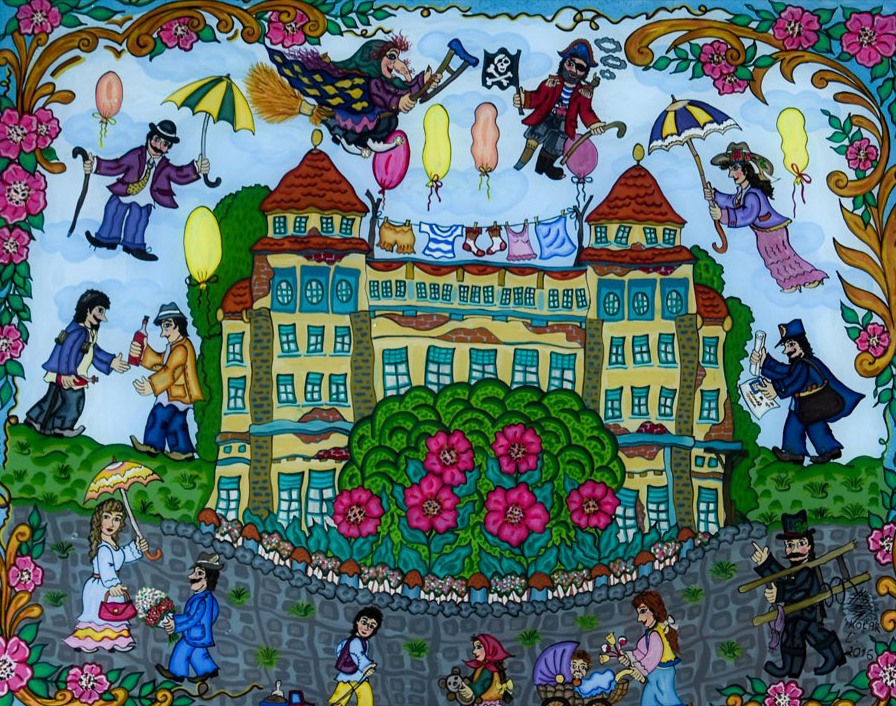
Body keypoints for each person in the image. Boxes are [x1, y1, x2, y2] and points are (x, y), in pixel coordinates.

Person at [256, 35, 440, 158]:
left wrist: (423, 80)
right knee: (383, 122)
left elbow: (404, 88)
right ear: (374, 59)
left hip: (382, 116)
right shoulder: (373, 83)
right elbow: (385, 97)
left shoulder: (389, 80)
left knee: (391, 121)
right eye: (392, 57)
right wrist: (398, 102)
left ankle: (368, 141)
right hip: (367, 116)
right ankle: (354, 141)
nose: (396, 63)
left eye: (397, 58)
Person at [705, 141, 827, 292]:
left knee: (783, 257)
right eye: (730, 169)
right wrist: (715, 195)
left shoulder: (753, 194)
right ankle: (791, 282)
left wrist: (723, 215)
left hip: (773, 231)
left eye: (735, 169)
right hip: (763, 232)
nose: (731, 174)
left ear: (747, 170)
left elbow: (747, 215)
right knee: (773, 259)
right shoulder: (744, 191)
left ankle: (807, 277)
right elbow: (733, 201)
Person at [83, 120, 210, 261]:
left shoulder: (165, 166)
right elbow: (117, 165)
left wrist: (197, 168)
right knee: (113, 210)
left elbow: (178, 174)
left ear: (168, 147)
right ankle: (106, 239)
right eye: (156, 140)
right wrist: (95, 165)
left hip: (145, 197)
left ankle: (134, 247)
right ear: (149, 138)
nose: (158, 146)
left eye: (164, 144)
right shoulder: (136, 155)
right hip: (126, 190)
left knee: (138, 220)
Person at [750, 319, 864, 465]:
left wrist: (776, 389)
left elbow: (795, 380)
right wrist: (765, 361)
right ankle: (812, 451)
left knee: (804, 426)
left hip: (810, 404)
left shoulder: (803, 364)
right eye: (786, 346)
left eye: (791, 344)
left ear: (801, 344)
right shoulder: (800, 363)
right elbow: (786, 371)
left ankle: (808, 451)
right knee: (805, 426)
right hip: (804, 405)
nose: (786, 350)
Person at [751, 510, 847, 677]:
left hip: (807, 611)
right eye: (790, 545)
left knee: (802, 634)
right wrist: (766, 563)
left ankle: (825, 660)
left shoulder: (807, 570)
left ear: (809, 545)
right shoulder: (796, 569)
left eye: (799, 544)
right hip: (798, 612)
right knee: (797, 635)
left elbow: (796, 589)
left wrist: (779, 594)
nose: (794, 549)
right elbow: (784, 577)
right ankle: (792, 668)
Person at [25, 289, 130, 437]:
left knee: (55, 400)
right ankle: (57, 426)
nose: (102, 316)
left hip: (70, 374)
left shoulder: (88, 332)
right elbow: (66, 353)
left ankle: (43, 423)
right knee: (74, 402)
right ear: (87, 309)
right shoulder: (79, 331)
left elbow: (94, 352)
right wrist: (66, 373)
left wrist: (110, 361)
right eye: (100, 310)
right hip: (66, 374)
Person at [513, 39, 606, 180]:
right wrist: (524, 99)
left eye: (580, 68)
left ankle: (543, 168)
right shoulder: (552, 83)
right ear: (564, 63)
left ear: (584, 72)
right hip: (546, 117)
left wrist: (594, 124)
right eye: (570, 64)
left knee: (554, 146)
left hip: (565, 123)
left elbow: (586, 111)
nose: (573, 70)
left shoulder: (583, 93)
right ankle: (518, 168)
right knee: (533, 141)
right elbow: (538, 96)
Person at [63, 499, 149, 652]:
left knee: (112, 616)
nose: (111, 523)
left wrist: (137, 547)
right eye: (107, 517)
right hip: (100, 587)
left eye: (117, 518)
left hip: (109, 585)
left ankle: (113, 641)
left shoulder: (113, 546)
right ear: (99, 519)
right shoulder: (103, 548)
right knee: (97, 618)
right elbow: (106, 567)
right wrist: (113, 584)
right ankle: (89, 642)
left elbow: (123, 555)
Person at [129, 302, 203, 461]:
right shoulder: (175, 346)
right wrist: (144, 351)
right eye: (163, 328)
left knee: (158, 417)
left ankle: (152, 445)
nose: (163, 333)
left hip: (174, 395)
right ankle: (183, 451)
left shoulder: (181, 348)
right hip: (177, 395)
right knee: (176, 425)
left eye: (167, 326)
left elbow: (171, 371)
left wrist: (152, 385)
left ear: (178, 325)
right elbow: (160, 362)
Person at [157, 552, 224, 683]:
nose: (191, 576)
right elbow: (212, 613)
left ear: (208, 579)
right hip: (200, 633)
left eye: (199, 574)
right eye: (194, 572)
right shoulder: (207, 597)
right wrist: (175, 619)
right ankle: (208, 670)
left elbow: (191, 619)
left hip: (194, 634)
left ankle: (177, 673)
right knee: (198, 653)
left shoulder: (200, 600)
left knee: (181, 650)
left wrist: (175, 626)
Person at [619, 591, 685, 706]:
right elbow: (642, 651)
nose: (639, 618)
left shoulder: (656, 634)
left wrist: (640, 670)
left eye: (643, 611)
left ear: (654, 609)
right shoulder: (652, 632)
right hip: (655, 675)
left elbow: (653, 657)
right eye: (639, 613)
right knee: (649, 701)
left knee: (667, 700)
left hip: (662, 675)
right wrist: (629, 657)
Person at [330, 607, 384, 706]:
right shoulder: (356, 642)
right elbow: (359, 656)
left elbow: (339, 651)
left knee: (340, 699)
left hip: (349, 675)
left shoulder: (357, 641)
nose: (366, 628)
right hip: (355, 676)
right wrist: (366, 667)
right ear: (357, 622)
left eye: (371, 626)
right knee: (365, 698)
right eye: (364, 622)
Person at [465, 633, 514, 705]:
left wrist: (466, 686)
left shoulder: (488, 670)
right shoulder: (482, 667)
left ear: (490, 649)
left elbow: (478, 687)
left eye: (478, 647)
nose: (474, 651)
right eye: (475, 648)